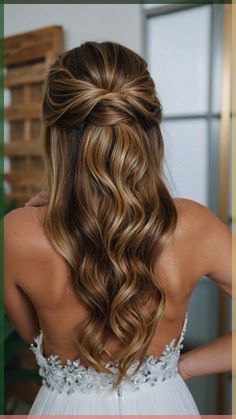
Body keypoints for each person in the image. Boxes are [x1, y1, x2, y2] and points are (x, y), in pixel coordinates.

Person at [4, 41, 232, 415]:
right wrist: (187, 366)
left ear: (55, 133)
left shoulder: (15, 234)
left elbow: (33, 335)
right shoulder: (195, 226)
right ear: (149, 130)